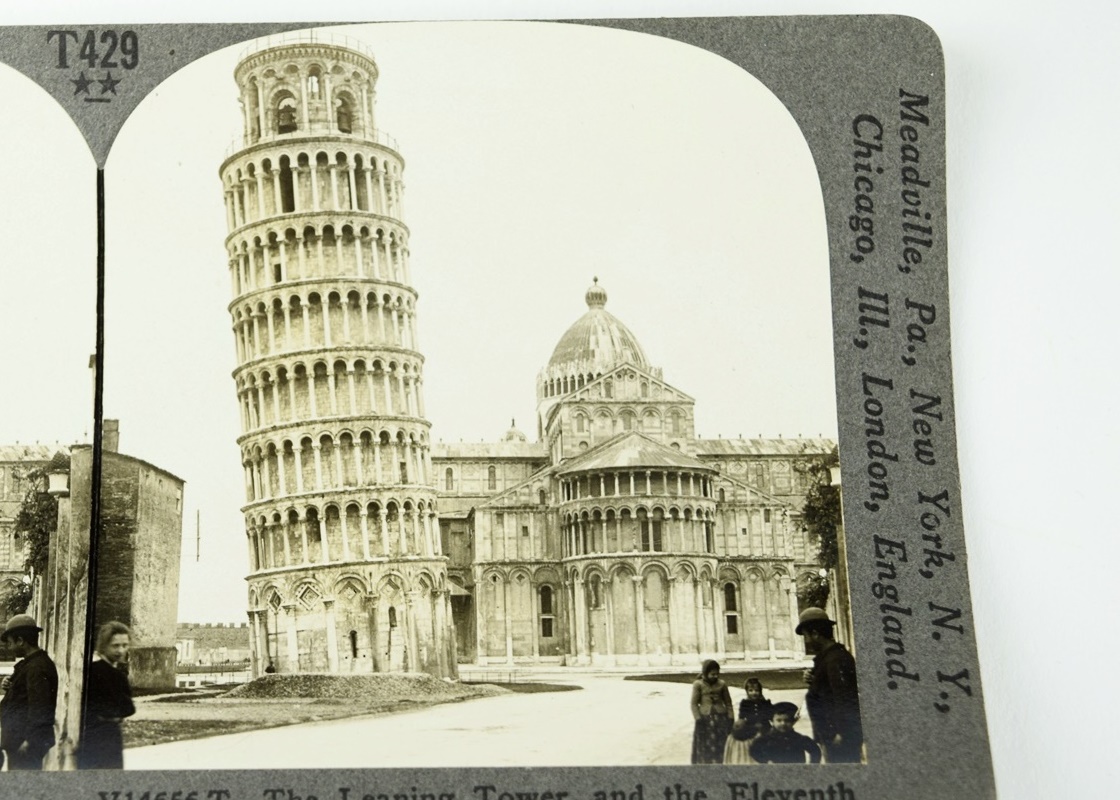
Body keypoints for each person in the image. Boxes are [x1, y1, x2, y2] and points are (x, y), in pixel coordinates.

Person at [796, 607, 863, 763]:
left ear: (815, 634)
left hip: (839, 738)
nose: (806, 641)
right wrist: (814, 680)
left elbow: (845, 698)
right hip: (831, 735)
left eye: (806, 636)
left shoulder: (836, 659)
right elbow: (828, 690)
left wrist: (841, 733)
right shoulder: (828, 658)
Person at [0, 614, 59, 770]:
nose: (9, 648)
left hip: (25, 744)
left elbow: (40, 707)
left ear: (21, 641)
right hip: (19, 741)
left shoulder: (37, 668)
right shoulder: (31, 663)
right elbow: (24, 696)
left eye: (11, 643)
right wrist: (9, 686)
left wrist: (29, 741)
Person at [77, 621, 136, 769]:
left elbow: (128, 708)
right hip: (101, 738)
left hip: (101, 736)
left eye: (125, 645)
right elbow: (128, 708)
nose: (121, 650)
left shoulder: (112, 671)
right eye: (115, 645)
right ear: (103, 645)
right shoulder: (101, 672)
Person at [689, 659, 734, 764]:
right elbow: (693, 704)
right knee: (705, 745)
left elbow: (728, 703)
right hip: (704, 720)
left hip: (720, 719)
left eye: (717, 674)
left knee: (721, 743)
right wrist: (698, 718)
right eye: (712, 674)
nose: (715, 676)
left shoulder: (722, 684)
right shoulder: (698, 684)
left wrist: (731, 717)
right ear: (705, 673)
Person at [749, 701, 821, 764]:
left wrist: (812, 766)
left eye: (787, 720)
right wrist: (765, 761)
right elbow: (754, 750)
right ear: (772, 722)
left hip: (796, 772)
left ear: (793, 722)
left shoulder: (798, 738)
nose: (783, 723)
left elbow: (815, 750)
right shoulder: (767, 738)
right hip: (774, 772)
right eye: (779, 720)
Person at [724, 677, 774, 764]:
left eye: (756, 690)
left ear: (760, 691)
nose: (754, 693)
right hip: (751, 726)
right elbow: (742, 717)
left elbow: (771, 715)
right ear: (747, 691)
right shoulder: (745, 703)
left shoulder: (765, 703)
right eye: (751, 690)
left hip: (764, 725)